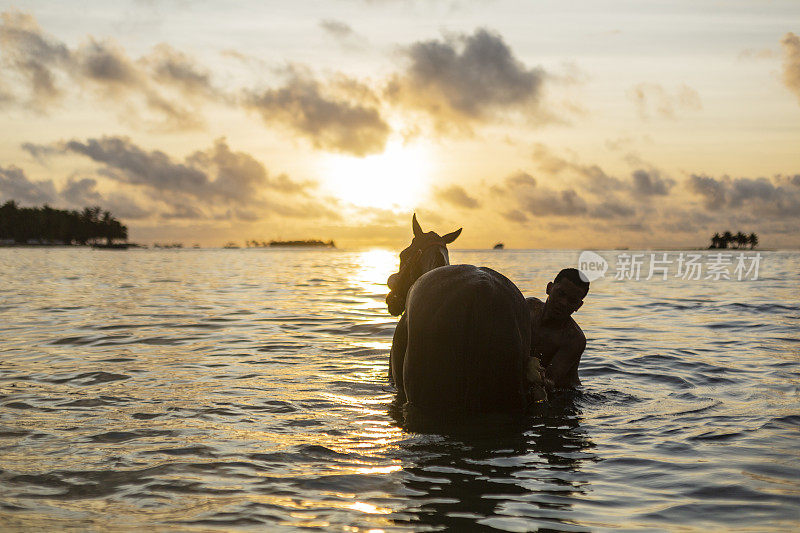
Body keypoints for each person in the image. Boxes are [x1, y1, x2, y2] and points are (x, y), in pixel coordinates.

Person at [527, 268, 589, 389]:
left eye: (572, 300)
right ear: (549, 288)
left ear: (578, 306)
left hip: (565, 395)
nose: (563, 303)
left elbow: (551, 381)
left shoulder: (574, 338)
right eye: (561, 294)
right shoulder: (528, 307)